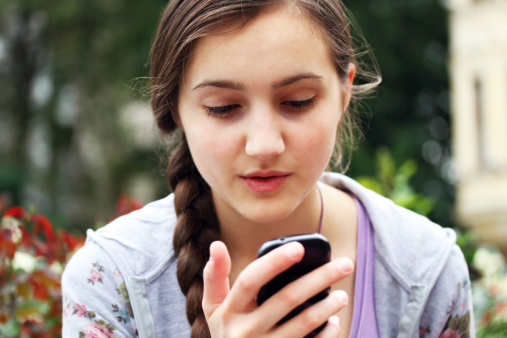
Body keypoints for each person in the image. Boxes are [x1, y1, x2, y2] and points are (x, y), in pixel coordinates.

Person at [62, 0, 475, 337]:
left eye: (297, 101)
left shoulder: (425, 272)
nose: (264, 145)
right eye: (223, 108)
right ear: (177, 109)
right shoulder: (112, 280)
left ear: (344, 91)